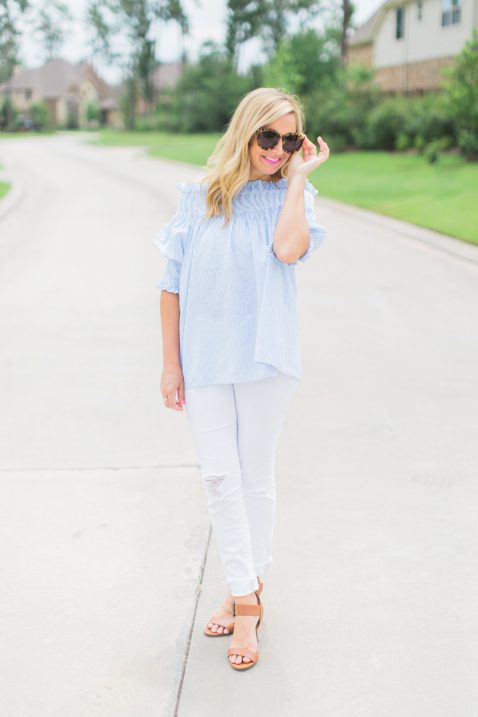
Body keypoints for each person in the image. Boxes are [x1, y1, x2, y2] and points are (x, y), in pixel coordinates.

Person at [153, 87, 330, 671]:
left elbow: (286, 250)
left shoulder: (292, 197)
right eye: (268, 137)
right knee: (218, 478)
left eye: (290, 138)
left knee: (253, 476)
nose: (278, 149)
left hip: (265, 360)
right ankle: (246, 589)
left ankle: (245, 599)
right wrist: (170, 362)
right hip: (203, 360)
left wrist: (300, 178)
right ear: (245, 132)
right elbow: (172, 282)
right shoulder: (198, 197)